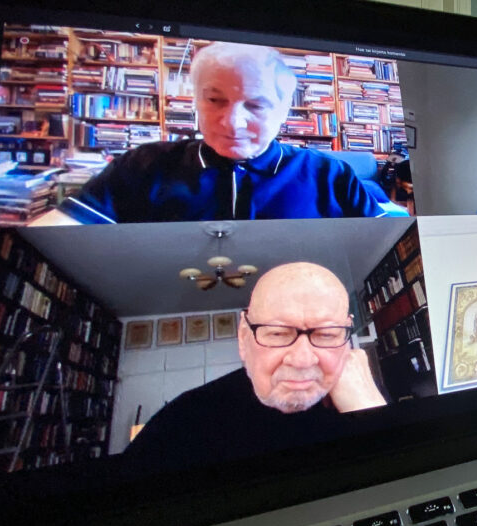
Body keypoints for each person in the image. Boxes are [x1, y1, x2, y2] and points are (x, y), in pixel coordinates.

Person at [30, 42, 399, 225]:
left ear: (285, 110)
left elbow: (388, 236)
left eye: (255, 106)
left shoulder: (328, 174)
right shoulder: (143, 165)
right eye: (215, 100)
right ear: (195, 99)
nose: (232, 122)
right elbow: (60, 229)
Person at [123, 262, 387, 471]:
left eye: (326, 334)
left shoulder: (362, 396)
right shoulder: (182, 425)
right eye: (277, 334)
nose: (303, 359)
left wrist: (372, 415)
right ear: (243, 335)